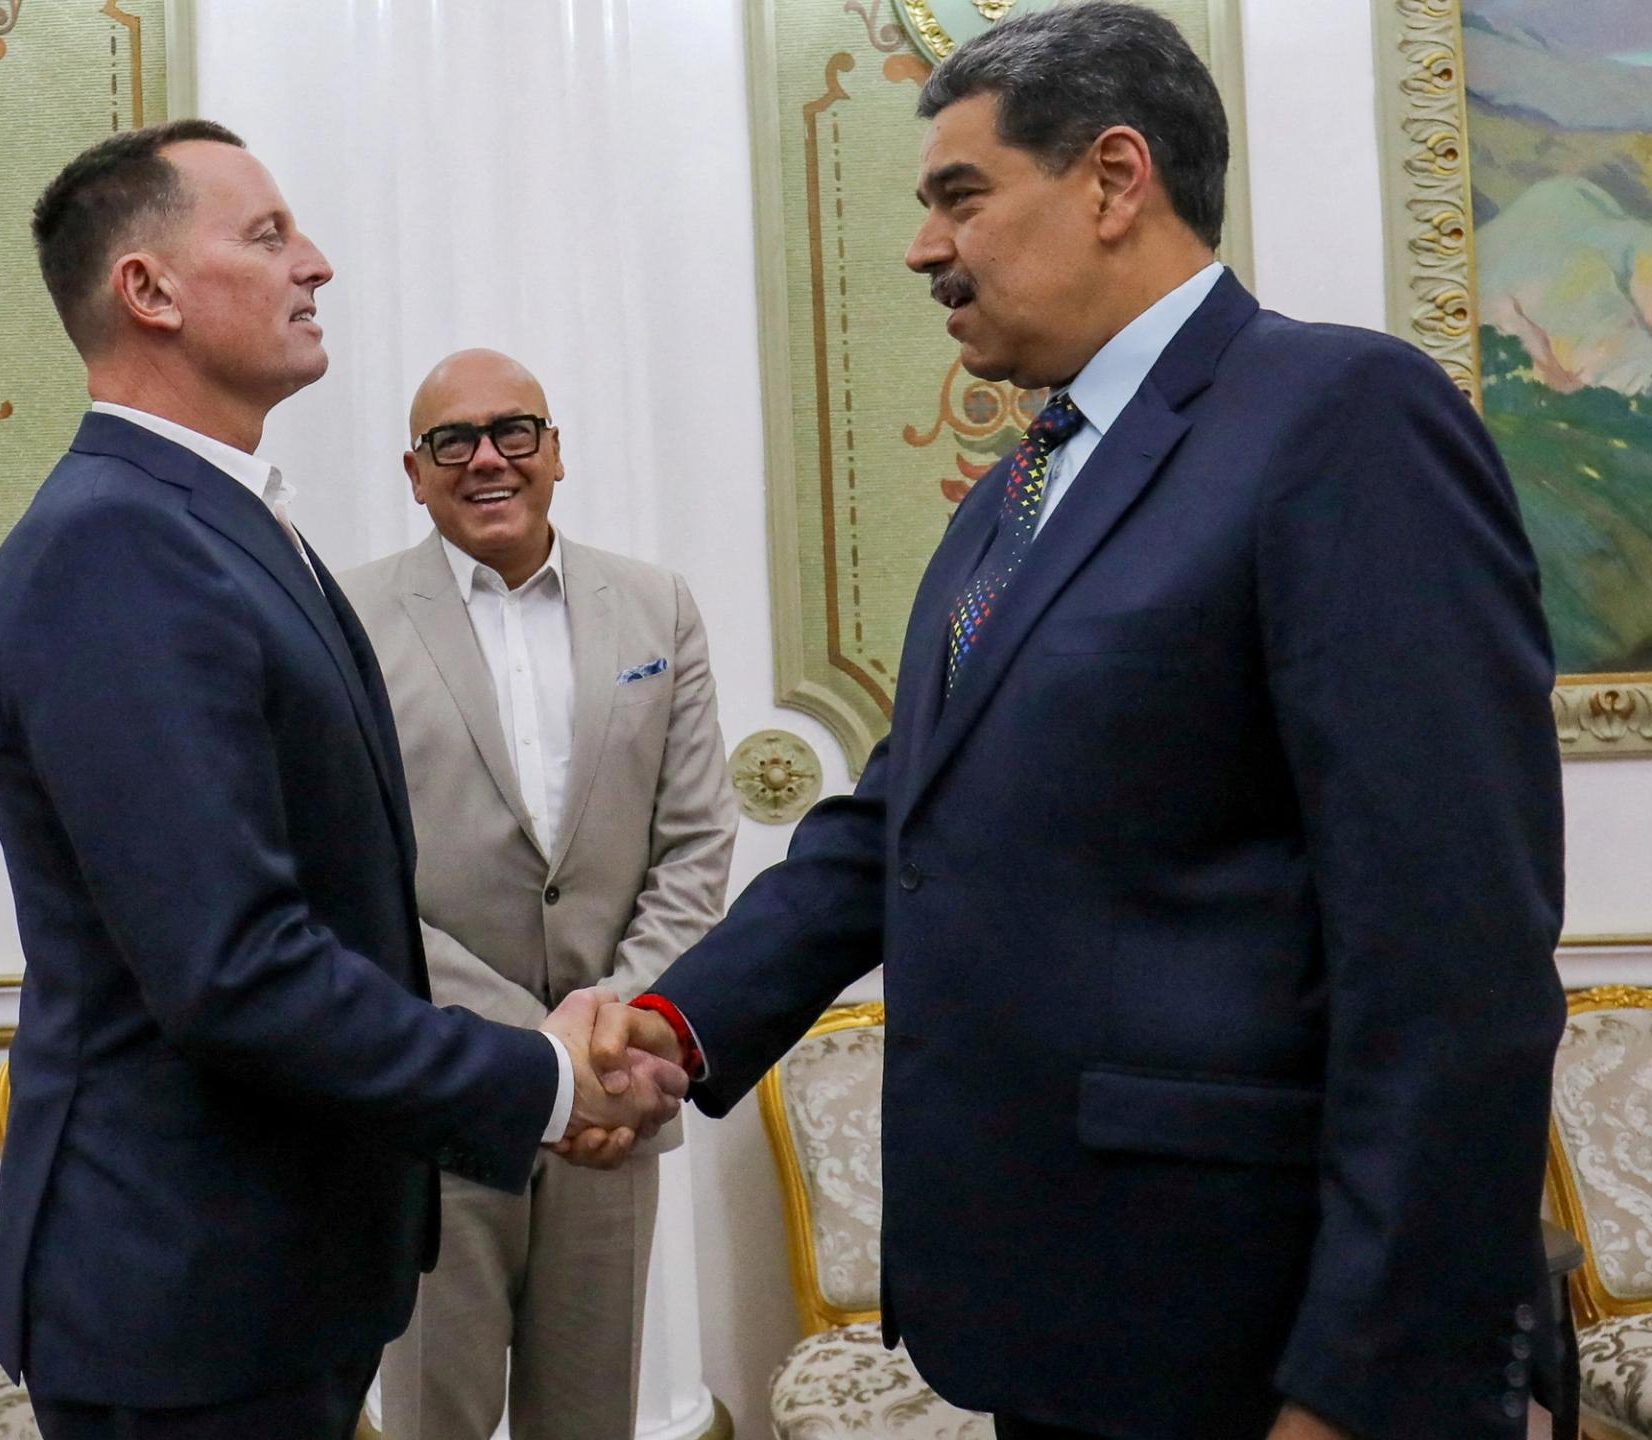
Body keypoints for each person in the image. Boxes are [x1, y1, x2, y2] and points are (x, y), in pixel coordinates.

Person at [587, 6, 1566, 1438]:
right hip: (1061, 1326)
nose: (925, 249)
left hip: (1259, 1340)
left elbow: (1454, 952)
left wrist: (1366, 1381)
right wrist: (678, 1020)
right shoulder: (1013, 496)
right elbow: (892, 825)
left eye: (959, 197)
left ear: (1115, 179)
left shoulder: (1344, 417)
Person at [0, 121, 680, 1440]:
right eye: (268, 234)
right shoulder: (118, 549)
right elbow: (234, 967)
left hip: (276, 1271)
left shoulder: (219, 527)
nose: (319, 264)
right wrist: (545, 1080)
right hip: (187, 1296)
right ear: (152, 291)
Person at [338, 348, 737, 1439]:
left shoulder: (658, 608)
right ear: (412, 474)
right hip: (442, 1097)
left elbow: (697, 843)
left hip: (618, 1101)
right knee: (438, 1422)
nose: (486, 460)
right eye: (449, 442)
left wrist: (611, 1043)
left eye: (514, 431)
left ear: (554, 450)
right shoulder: (347, 618)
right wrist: (543, 1061)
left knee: (592, 1422)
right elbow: (355, 879)